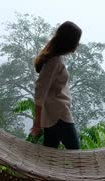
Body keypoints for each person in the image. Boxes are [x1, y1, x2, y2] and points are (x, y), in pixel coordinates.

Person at [30, 21, 82, 150]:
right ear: (69, 42)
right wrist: (37, 123)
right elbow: (40, 91)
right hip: (59, 116)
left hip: (52, 116)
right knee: (77, 155)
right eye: (77, 41)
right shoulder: (54, 61)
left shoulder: (55, 59)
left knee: (49, 157)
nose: (78, 44)